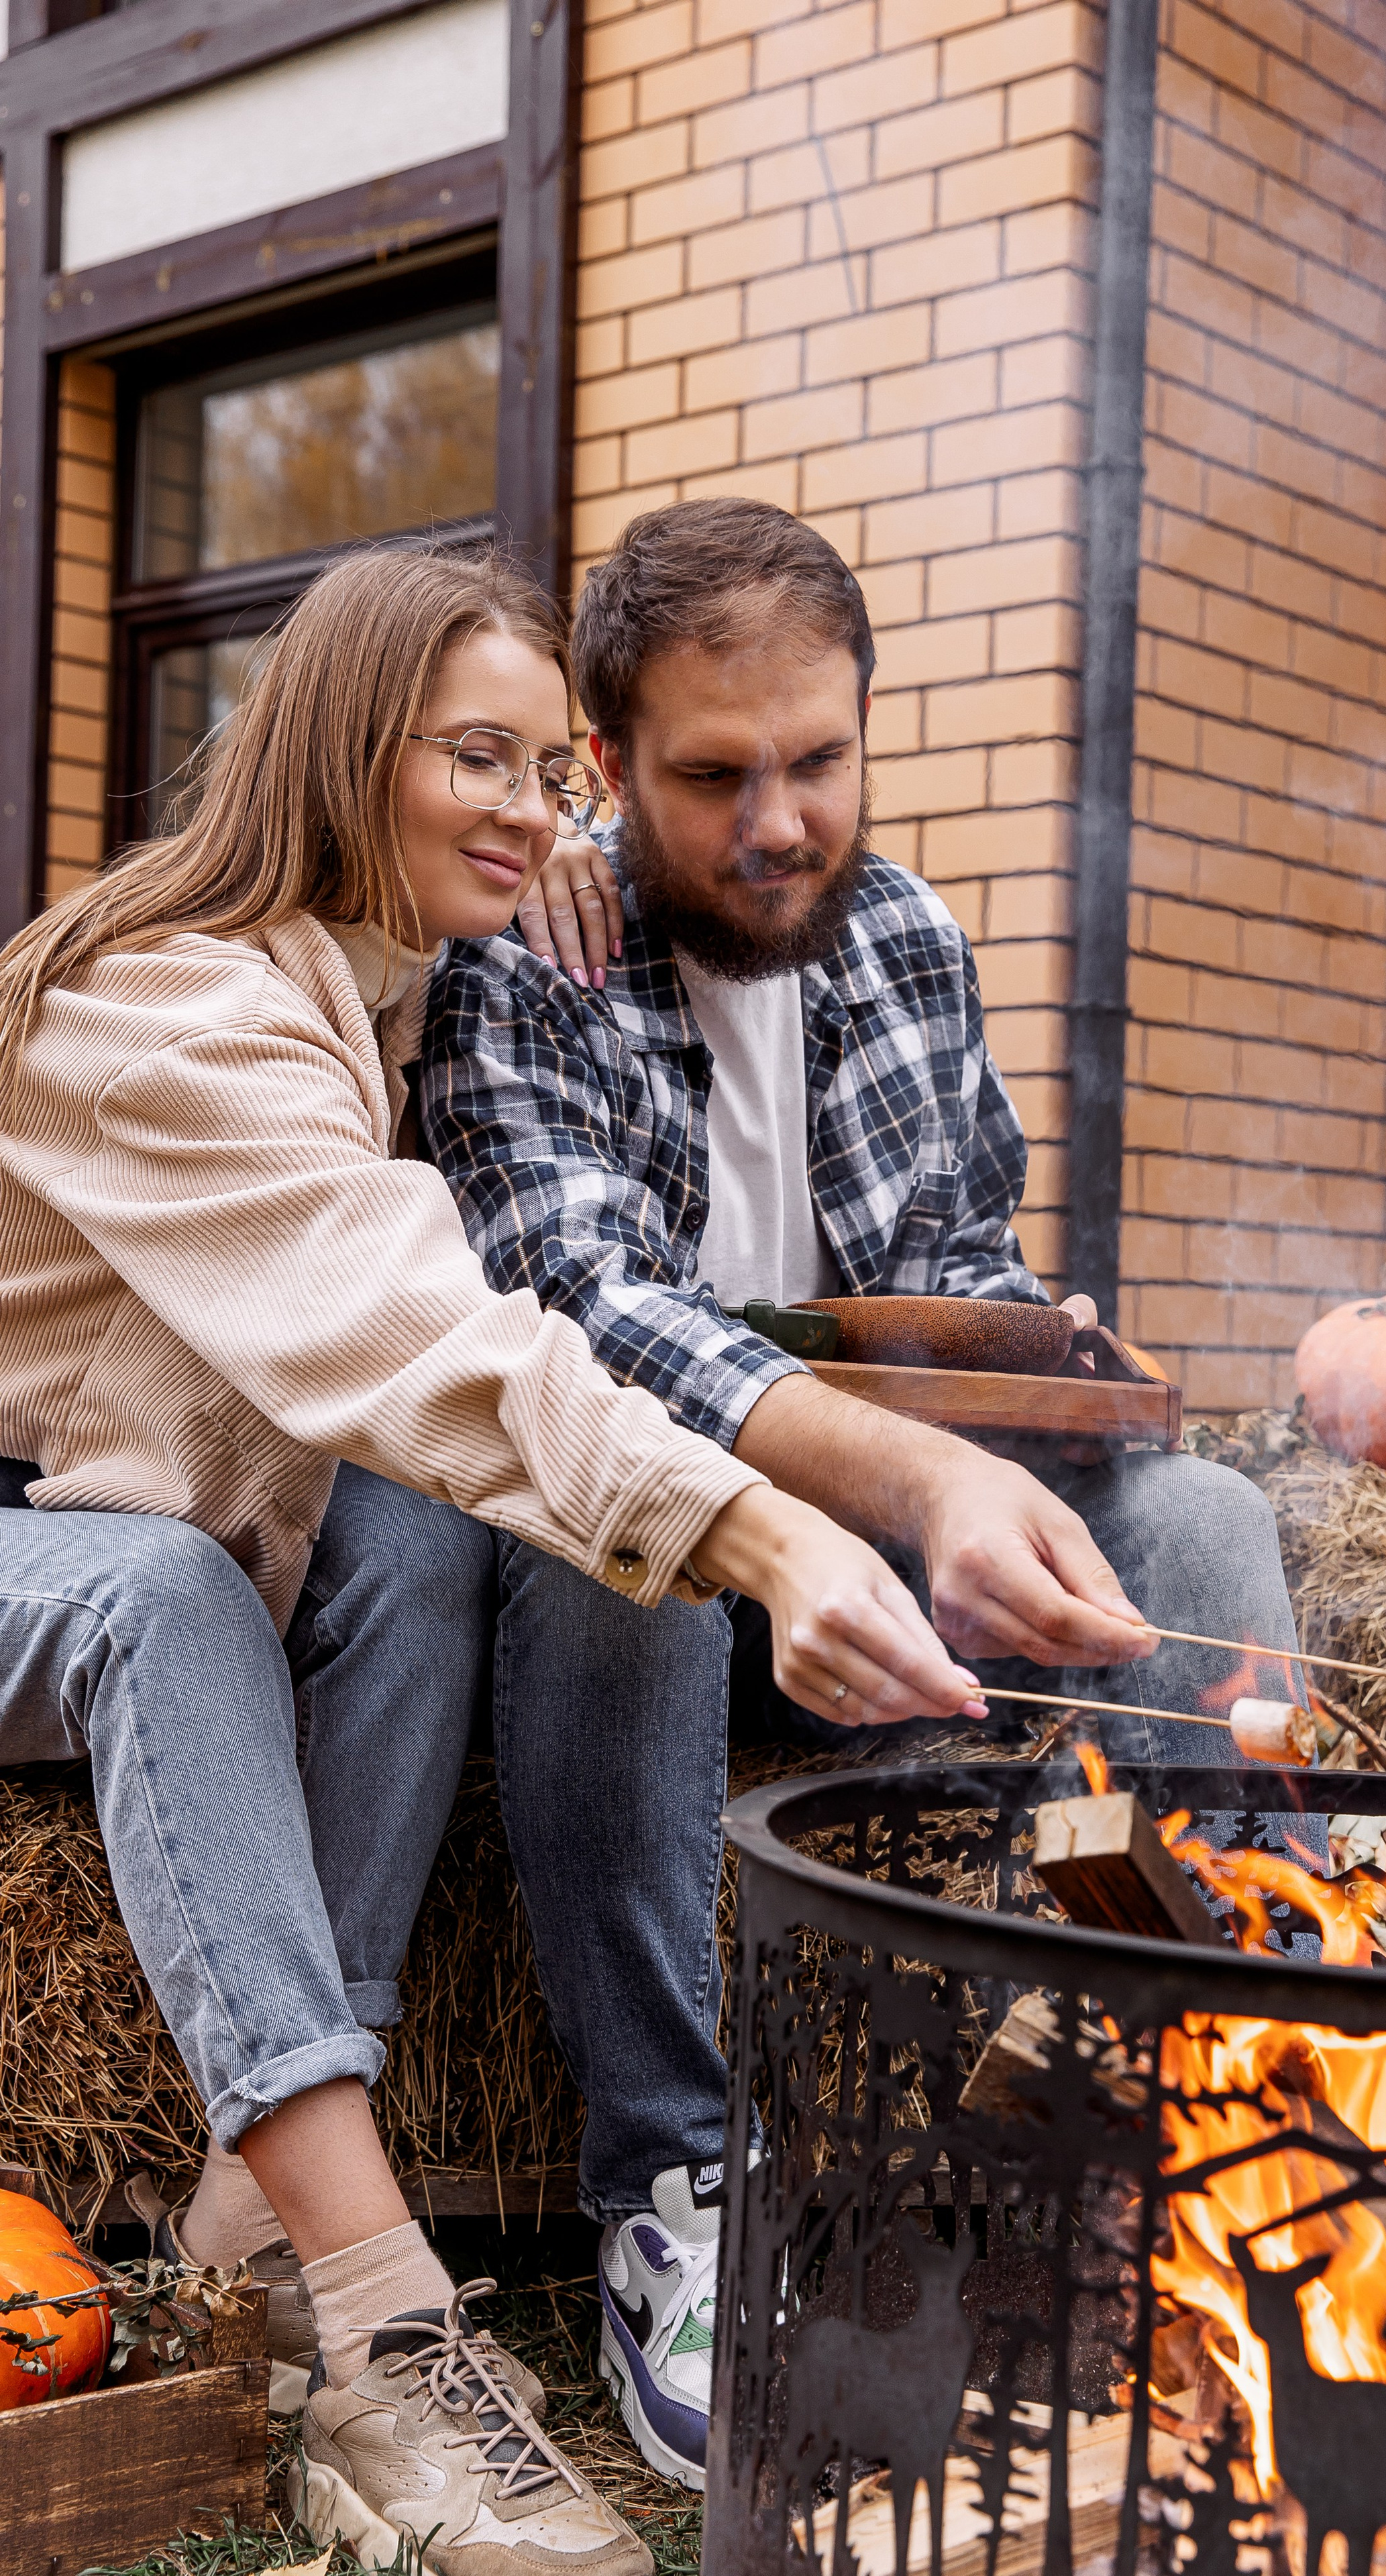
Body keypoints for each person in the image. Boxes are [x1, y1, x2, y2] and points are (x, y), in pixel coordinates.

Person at [0, 545, 1006, 2571]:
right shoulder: (169, 1007)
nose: (534, 812)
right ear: (342, 742)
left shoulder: (371, 979)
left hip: (138, 1508)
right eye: (483, 758)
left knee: (413, 1504)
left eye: (557, 772)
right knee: (163, 1588)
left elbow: (412, 1408)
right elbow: (432, 1335)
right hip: (41, 1536)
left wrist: (550, 852)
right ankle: (380, 2327)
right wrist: (769, 1526)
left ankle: (246, 2216)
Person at [419, 498, 1308, 2416]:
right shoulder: (523, 966)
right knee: (614, 1519)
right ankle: (679, 2173)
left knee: (1211, 1524)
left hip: (907, 1545)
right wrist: (905, 1486)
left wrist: (1047, 1359)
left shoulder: (903, 938)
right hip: (672, 1581)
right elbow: (580, 1312)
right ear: (607, 765)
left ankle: (1210, 2083)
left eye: (818, 763)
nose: (778, 826)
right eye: (713, 775)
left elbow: (952, 1259)